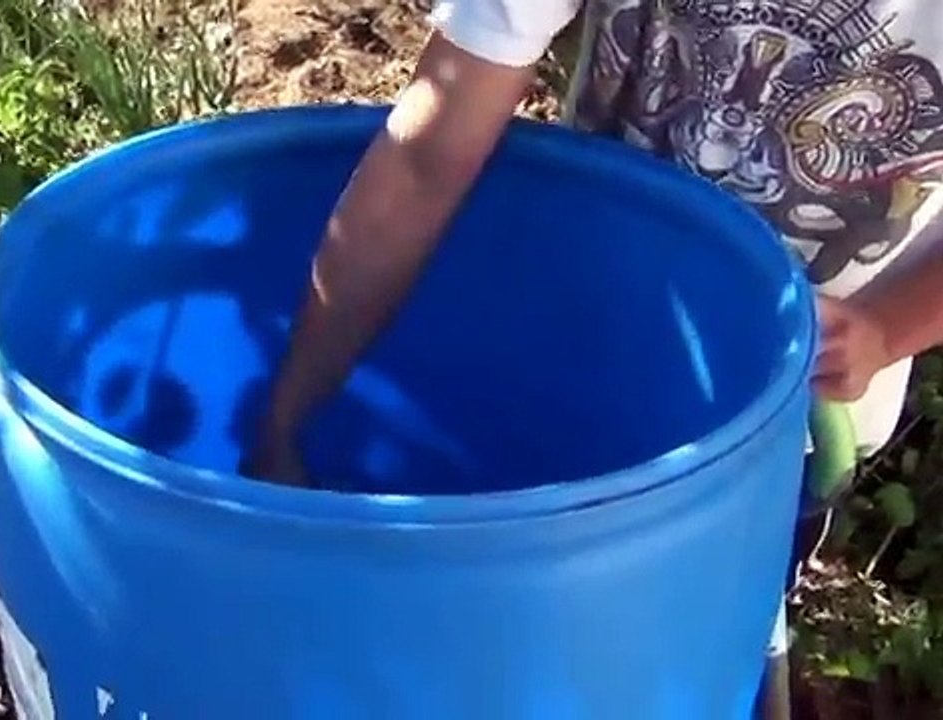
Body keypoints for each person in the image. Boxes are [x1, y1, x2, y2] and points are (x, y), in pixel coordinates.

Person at [242, 0, 943, 712]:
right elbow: (427, 153)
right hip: (572, 353)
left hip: (777, 446)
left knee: (671, 660)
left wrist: (887, 326)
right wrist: (284, 427)